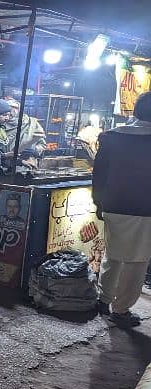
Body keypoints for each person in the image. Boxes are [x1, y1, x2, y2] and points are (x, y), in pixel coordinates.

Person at [93, 92, 151, 328]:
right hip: (143, 209)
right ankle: (121, 309)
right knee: (136, 261)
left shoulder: (111, 137)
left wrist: (98, 202)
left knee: (113, 253)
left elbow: (99, 174)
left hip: (113, 205)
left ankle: (103, 298)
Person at [4, 98, 47, 167]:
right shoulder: (0, 124)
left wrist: (35, 151)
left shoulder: (31, 123)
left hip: (29, 164)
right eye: (10, 108)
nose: (13, 111)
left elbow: (42, 144)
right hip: (7, 165)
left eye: (16, 108)